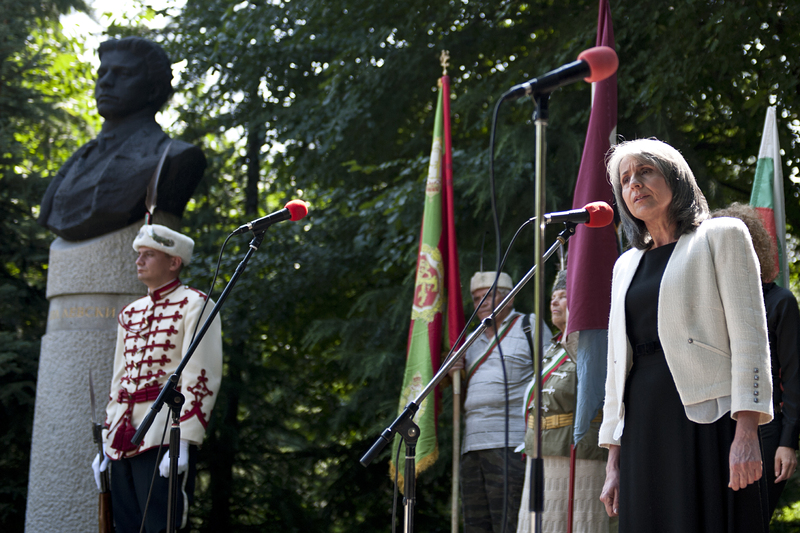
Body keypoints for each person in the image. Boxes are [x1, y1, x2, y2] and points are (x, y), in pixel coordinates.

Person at [597, 138, 773, 533]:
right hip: (643, 422)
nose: (634, 184)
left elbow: (750, 339)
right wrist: (613, 459)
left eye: (645, 171)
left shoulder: (722, 235)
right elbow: (614, 365)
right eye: (625, 179)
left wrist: (747, 431)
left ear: (675, 178)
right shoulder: (626, 265)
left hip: (707, 420)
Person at [92, 224, 223, 533]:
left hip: (165, 435)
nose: (139, 261)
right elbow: (119, 381)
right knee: (125, 526)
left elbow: (201, 375)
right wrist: (107, 443)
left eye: (148, 255)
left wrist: (186, 441)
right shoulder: (130, 313)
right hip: (122, 438)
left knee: (162, 526)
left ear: (174, 262)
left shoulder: (196, 305)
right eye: (139, 254)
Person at [39, 36, 206, 241]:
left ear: (153, 89)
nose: (106, 82)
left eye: (124, 74)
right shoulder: (80, 158)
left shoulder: (174, 157)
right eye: (102, 73)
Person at [711, 202, 800, 519]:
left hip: (766, 431)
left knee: (753, 520)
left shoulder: (780, 302)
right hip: (715, 429)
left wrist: (788, 443)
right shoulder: (711, 307)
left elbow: (794, 378)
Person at [450, 271, 551, 533]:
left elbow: (553, 378)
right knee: (476, 524)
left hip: (511, 444)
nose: (482, 303)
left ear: (509, 297)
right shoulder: (469, 340)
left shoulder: (529, 326)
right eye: (475, 298)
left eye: (489, 295)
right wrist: (454, 374)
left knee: (509, 522)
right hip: (471, 446)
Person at [517, 270, 611, 533]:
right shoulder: (553, 346)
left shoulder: (592, 344)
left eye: (563, 297)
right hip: (542, 447)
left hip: (578, 451)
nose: (554, 302)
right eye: (552, 298)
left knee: (577, 523)